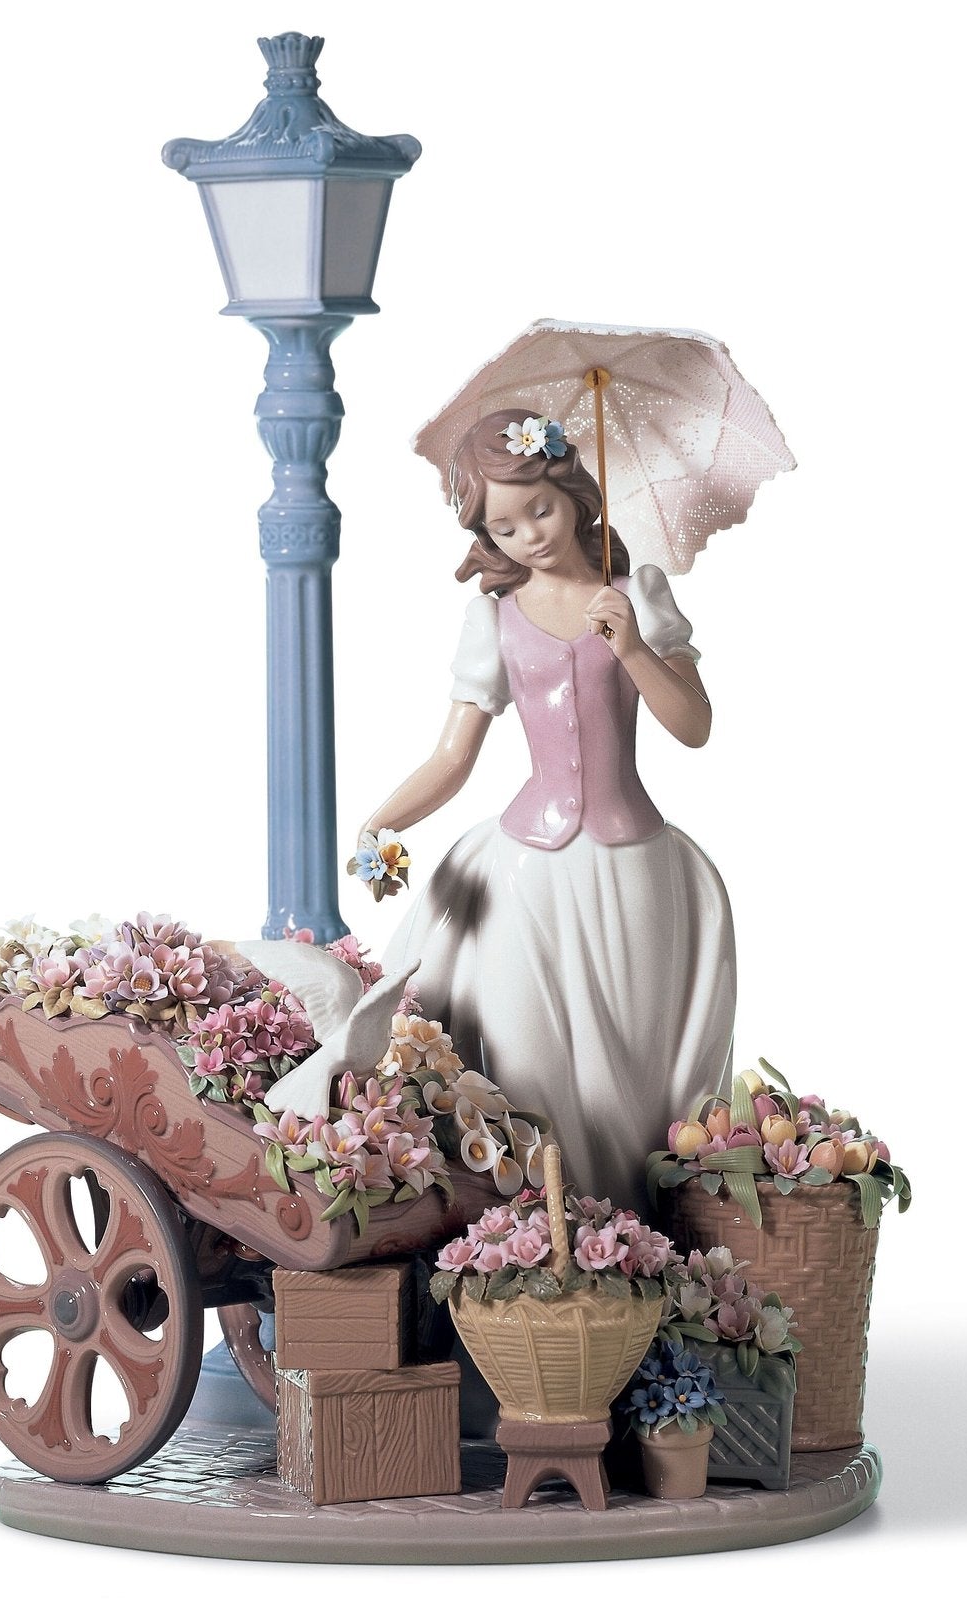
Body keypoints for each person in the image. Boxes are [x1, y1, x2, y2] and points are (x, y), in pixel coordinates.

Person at [363, 408, 735, 1212]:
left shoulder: (635, 596)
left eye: (540, 509)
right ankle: (545, 1233)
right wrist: (382, 821)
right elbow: (452, 757)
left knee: (632, 1068)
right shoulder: (491, 618)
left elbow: (695, 727)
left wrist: (632, 647)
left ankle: (635, 1242)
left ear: (573, 493)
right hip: (525, 872)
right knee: (526, 1061)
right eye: (504, 526)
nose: (529, 535)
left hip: (632, 864)